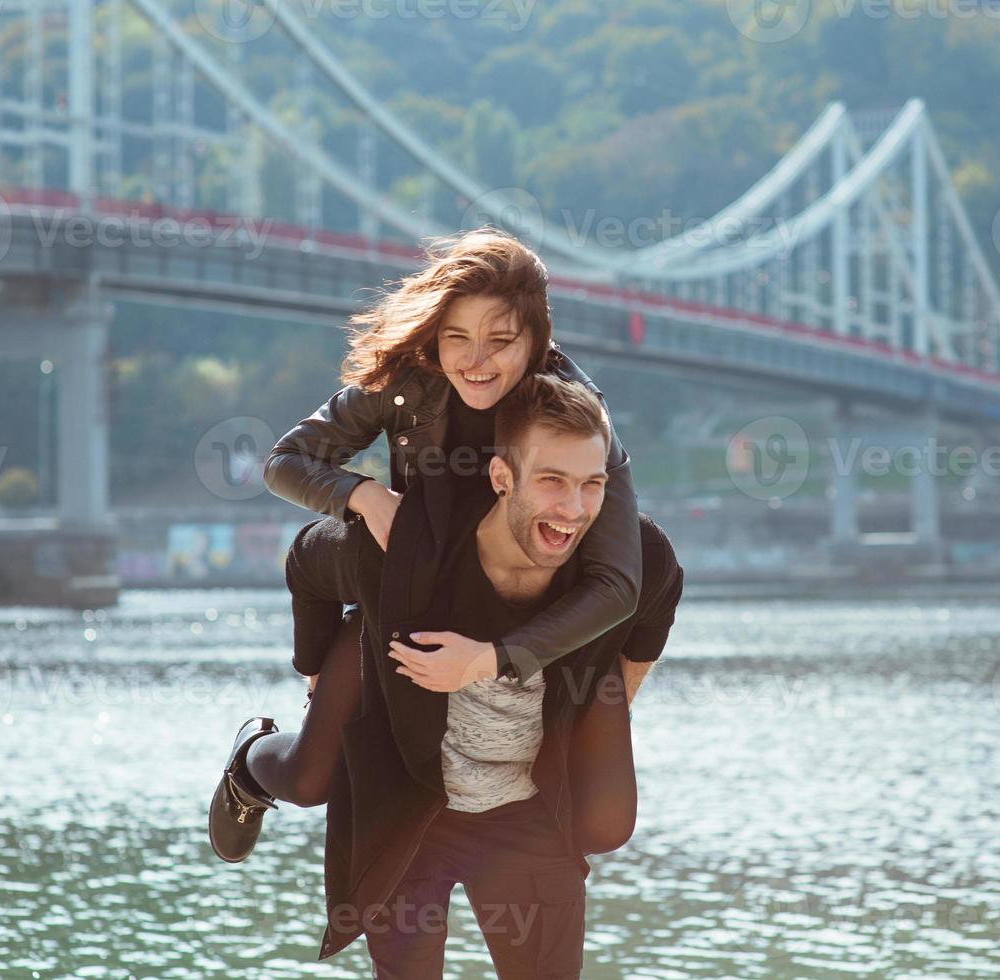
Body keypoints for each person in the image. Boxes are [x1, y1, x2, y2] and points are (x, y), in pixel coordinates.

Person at [215, 374, 685, 975]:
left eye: (592, 485)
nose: (573, 509)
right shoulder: (403, 543)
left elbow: (660, 595)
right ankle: (251, 757)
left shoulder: (625, 561)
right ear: (500, 477)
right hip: (410, 798)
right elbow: (307, 561)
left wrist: (604, 703)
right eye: (551, 481)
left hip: (527, 816)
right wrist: (313, 675)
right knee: (311, 778)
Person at [207, 228, 651, 857]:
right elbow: (285, 461)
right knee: (311, 780)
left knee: (583, 820)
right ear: (435, 337)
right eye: (457, 338)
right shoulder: (405, 384)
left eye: (500, 341)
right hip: (406, 589)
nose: (476, 360)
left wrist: (494, 658)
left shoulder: (580, 414)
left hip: (509, 608)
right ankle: (250, 760)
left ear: (536, 340)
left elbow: (620, 583)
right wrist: (365, 496)